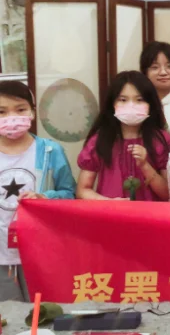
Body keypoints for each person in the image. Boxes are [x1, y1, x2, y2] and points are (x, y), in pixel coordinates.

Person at [0, 81, 75, 302]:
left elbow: (69, 194)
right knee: (6, 315)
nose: (12, 117)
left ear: (32, 112)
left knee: (44, 312)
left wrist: (45, 198)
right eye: (2, 112)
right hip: (2, 255)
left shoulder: (51, 151)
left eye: (20, 109)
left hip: (41, 252)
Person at [77, 71, 170, 201]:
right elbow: (82, 190)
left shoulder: (161, 140)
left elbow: (168, 194)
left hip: (151, 213)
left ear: (150, 104)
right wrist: (109, 203)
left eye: (139, 100)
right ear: (113, 103)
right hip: (110, 213)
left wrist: (145, 166)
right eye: (123, 100)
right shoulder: (100, 140)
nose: (131, 106)